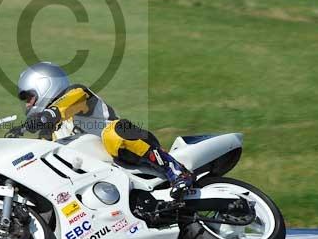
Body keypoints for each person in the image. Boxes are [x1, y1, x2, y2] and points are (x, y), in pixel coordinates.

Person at [15, 61, 195, 200]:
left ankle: (177, 170)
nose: (28, 104)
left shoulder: (77, 94)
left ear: (45, 86)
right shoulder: (49, 134)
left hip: (130, 151)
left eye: (29, 97)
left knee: (114, 132)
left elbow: (61, 108)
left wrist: (46, 116)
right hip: (96, 179)